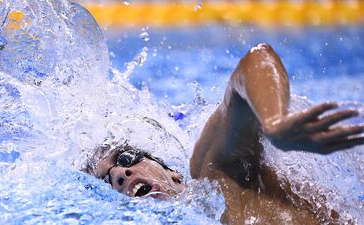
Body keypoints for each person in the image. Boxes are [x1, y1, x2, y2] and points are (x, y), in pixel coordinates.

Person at [83, 43, 364, 224]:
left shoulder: (217, 175)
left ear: (171, 172)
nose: (121, 174)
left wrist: (275, 123)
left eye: (127, 158)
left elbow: (256, 61)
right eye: (107, 182)